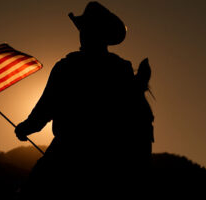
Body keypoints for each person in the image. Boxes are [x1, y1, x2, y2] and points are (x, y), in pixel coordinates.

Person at [15, 1, 154, 198]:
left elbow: (45, 108)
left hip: (68, 152)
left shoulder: (67, 67)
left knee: (33, 194)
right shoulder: (120, 69)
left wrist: (26, 128)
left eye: (87, 29)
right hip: (110, 158)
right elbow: (136, 118)